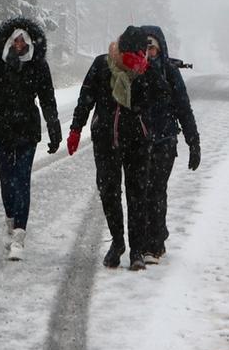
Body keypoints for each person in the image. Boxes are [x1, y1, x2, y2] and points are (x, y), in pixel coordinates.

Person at [67, 25, 169, 270]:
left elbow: (163, 97)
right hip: (106, 140)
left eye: (139, 53)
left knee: (137, 195)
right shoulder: (103, 65)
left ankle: (136, 251)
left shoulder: (147, 71)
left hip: (138, 143)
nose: (134, 58)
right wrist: (76, 129)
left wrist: (148, 73)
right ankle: (118, 242)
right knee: (108, 191)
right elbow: (85, 98)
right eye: (130, 53)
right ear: (120, 49)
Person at [0, 17, 62, 261]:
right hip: (0, 128)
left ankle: (19, 235)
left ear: (30, 42)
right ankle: (10, 222)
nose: (19, 44)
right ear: (9, 41)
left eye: (23, 40)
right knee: (7, 180)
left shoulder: (38, 65)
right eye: (15, 40)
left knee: (22, 179)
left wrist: (54, 127)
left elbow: (48, 99)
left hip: (27, 130)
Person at [136, 24, 200, 260]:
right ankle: (142, 241)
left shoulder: (170, 73)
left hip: (164, 142)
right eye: (144, 48)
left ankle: (155, 243)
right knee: (140, 192)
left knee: (156, 191)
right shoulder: (134, 72)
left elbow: (184, 108)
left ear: (160, 48)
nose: (148, 52)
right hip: (139, 142)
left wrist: (193, 142)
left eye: (152, 48)